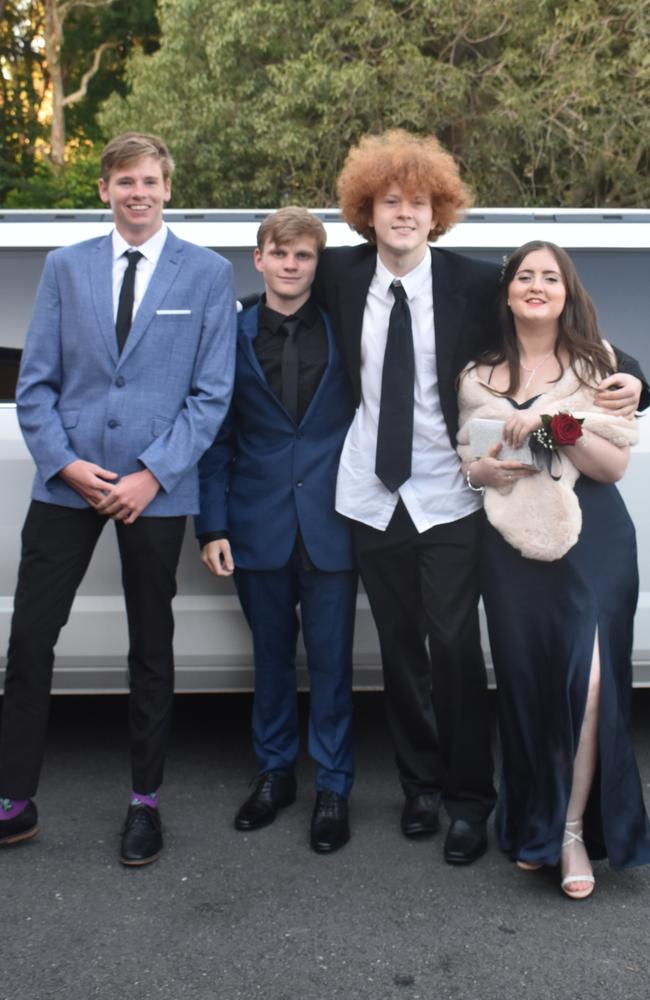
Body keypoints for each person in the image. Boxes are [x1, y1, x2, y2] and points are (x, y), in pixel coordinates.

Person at [313, 129, 647, 865]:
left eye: (419, 202)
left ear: (439, 213)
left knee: (457, 648)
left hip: (452, 494)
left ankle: (471, 800)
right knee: (398, 653)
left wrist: (641, 379)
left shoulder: (470, 282)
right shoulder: (337, 276)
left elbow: (561, 329)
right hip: (372, 493)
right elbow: (258, 310)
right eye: (389, 201)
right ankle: (419, 789)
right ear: (367, 210)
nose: (404, 213)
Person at [0, 132, 236, 865]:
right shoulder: (66, 268)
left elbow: (212, 393)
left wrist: (152, 474)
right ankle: (14, 797)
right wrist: (67, 464)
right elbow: (34, 383)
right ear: (104, 190)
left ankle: (145, 802)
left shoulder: (207, 274)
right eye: (124, 180)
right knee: (32, 639)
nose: (138, 192)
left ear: (169, 189)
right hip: (66, 484)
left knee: (151, 646)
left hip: (153, 491)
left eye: (150, 181)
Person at [457, 240, 650, 897]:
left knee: (588, 686)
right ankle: (531, 822)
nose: (537, 286)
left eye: (551, 277)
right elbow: (471, 460)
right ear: (508, 290)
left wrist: (544, 422)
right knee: (528, 688)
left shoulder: (601, 366)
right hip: (512, 549)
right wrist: (482, 467)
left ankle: (570, 834)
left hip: (595, 542)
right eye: (525, 276)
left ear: (567, 292)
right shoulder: (476, 374)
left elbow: (611, 464)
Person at [196, 208, 356, 853]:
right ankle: (274, 774)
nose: (291, 265)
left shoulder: (349, 330)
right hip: (255, 524)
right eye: (279, 253)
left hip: (333, 524)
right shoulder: (226, 334)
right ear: (257, 258)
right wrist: (211, 526)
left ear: (317, 265)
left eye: (304, 255)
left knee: (333, 664)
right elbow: (215, 438)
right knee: (268, 660)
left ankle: (334, 787)